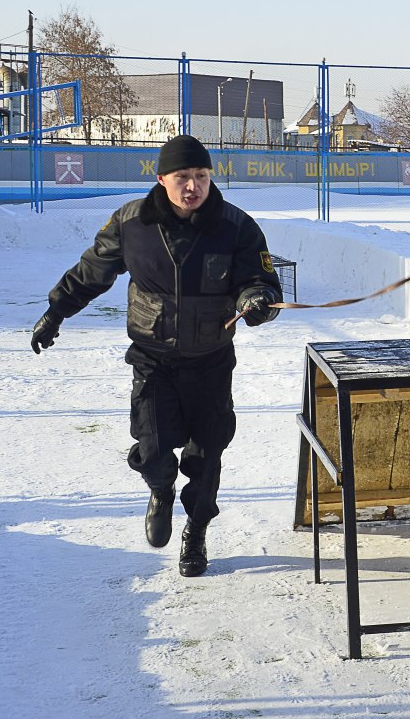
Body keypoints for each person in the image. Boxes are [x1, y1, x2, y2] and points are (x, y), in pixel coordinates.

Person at [31, 134, 282, 577]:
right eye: (183, 177)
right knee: (151, 448)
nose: (193, 186)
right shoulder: (132, 223)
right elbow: (93, 272)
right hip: (152, 357)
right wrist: (56, 312)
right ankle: (160, 490)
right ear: (161, 177)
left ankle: (196, 533)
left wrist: (257, 300)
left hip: (210, 361)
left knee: (207, 458)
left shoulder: (236, 226)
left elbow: (260, 281)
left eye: (201, 176)